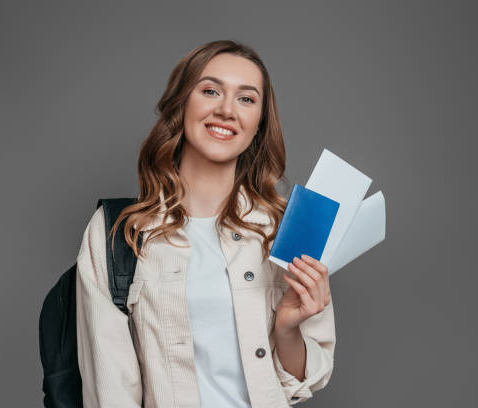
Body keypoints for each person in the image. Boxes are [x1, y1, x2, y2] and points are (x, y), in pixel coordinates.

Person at [75, 40, 336, 408]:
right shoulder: (120, 233)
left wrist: (287, 330)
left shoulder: (287, 228)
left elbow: (303, 382)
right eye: (211, 91)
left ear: (259, 124)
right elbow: (109, 391)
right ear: (181, 105)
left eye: (246, 99)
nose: (227, 110)